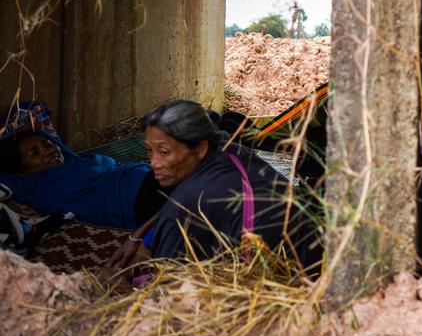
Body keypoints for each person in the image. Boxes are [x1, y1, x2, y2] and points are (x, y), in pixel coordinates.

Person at [132, 100, 321, 272]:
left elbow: (162, 285)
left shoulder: (188, 201)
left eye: (164, 152)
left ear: (200, 148)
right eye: (150, 151)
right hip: (316, 260)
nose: (154, 162)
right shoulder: (234, 151)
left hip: (290, 284)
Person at [0, 130, 171, 231]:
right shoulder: (40, 189)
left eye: (47, 144)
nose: (49, 150)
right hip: (135, 200)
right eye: (35, 153)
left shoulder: (79, 161)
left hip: (147, 177)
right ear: (20, 170)